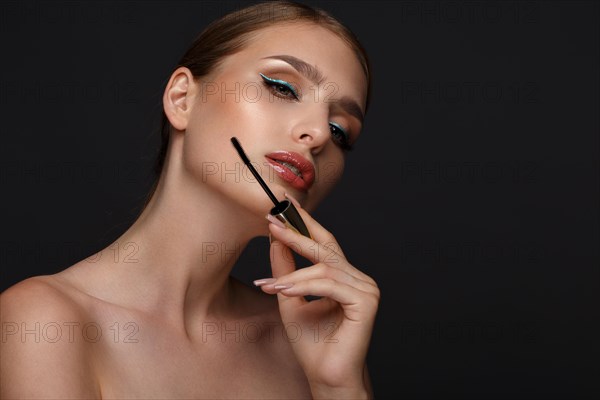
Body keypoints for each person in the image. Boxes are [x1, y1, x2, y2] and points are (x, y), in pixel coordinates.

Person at [0, 1, 379, 398]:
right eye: (282, 87)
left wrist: (338, 386)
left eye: (340, 131)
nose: (318, 132)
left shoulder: (311, 342)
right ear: (183, 98)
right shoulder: (47, 323)